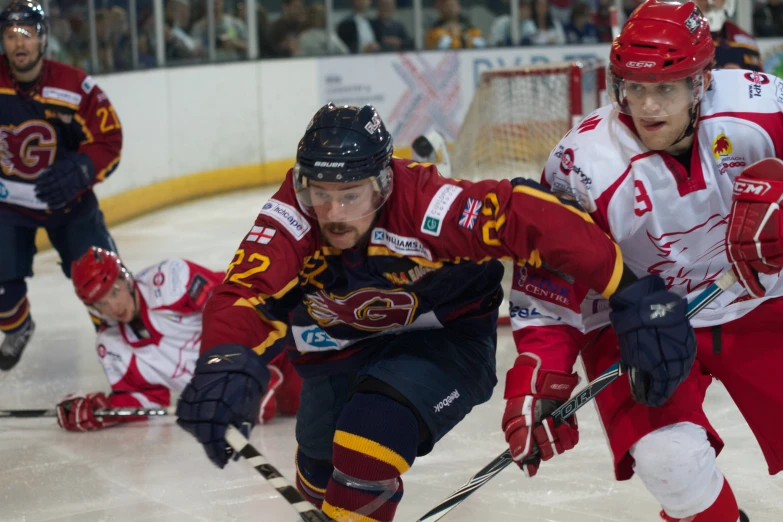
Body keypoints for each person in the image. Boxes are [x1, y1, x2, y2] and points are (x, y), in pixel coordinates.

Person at [175, 102, 696, 521]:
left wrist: (631, 290)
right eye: (321, 195)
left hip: (444, 340)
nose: (333, 214)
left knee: (365, 447)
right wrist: (224, 359)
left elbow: (533, 218)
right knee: (319, 469)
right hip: (336, 350)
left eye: (351, 195)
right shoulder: (292, 217)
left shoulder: (426, 206)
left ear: (382, 182)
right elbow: (243, 293)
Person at [506, 2, 782, 521]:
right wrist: (542, 372)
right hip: (636, 320)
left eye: (666, 88)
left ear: (701, 83)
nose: (647, 106)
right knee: (669, 461)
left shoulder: (758, 105)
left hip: (758, 293)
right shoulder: (583, 165)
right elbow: (549, 282)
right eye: (633, 87)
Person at [54, 247, 301, 432]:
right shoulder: (111, 345)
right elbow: (148, 400)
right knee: (291, 405)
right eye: (101, 303)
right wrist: (104, 411)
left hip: (278, 335)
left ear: (125, 277)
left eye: (115, 293)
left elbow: (234, 309)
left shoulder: (170, 280)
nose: (113, 306)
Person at [0, 1, 123, 371]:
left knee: (102, 277)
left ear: (43, 39)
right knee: (3, 289)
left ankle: (122, 343)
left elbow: (109, 139)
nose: (19, 44)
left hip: (69, 203)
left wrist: (83, 169)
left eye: (27, 35)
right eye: (10, 35)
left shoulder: (74, 85)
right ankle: (18, 327)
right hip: (8, 205)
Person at [694, 0, 761, 72]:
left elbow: (758, 80)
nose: (710, 2)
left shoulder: (745, 41)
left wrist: (739, 77)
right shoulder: (683, 37)